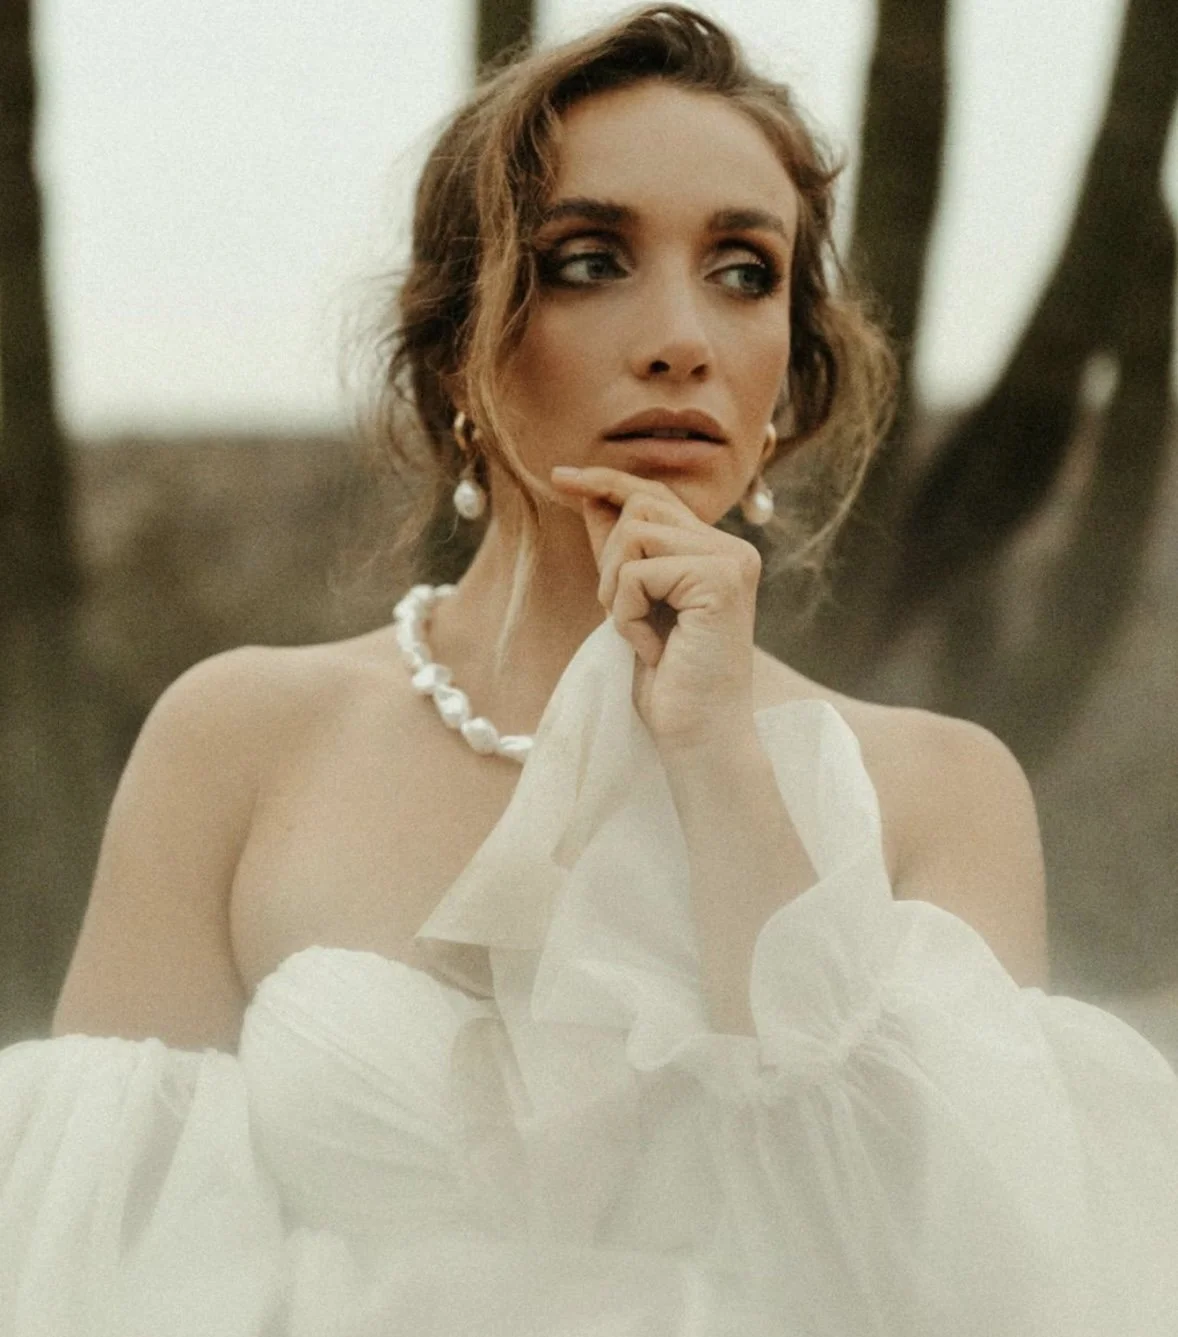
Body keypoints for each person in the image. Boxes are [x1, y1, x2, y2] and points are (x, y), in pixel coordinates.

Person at [2, 6, 1177, 1334]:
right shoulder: (239, 742)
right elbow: (96, 1279)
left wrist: (716, 755)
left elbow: (939, 1284)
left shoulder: (940, 792)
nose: (680, 334)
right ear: (453, 342)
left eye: (743, 271)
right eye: (585, 261)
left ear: (787, 376)